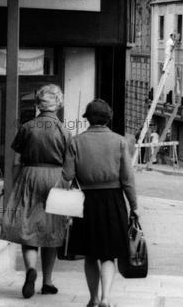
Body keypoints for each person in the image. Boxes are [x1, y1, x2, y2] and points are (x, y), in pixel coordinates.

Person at [62, 98, 138, 307]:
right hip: (113, 200)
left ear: (88, 119)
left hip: (86, 202)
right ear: (108, 118)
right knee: (109, 254)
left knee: (90, 254)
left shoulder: (75, 142)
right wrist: (134, 207)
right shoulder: (119, 142)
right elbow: (127, 179)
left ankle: (93, 298)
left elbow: (67, 175)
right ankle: (106, 298)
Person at [0, 84, 71, 299]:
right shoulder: (64, 131)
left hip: (29, 176)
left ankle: (30, 269)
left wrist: (12, 185)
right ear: (58, 104)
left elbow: (16, 160)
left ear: (38, 104)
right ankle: (47, 281)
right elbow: (70, 165)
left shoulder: (27, 127)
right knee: (53, 229)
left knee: (27, 226)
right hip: (56, 178)